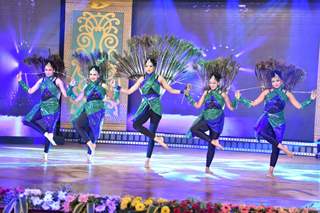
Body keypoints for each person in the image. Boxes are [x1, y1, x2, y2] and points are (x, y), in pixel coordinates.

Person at [236, 63, 317, 177]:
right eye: (273, 81)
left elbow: (299, 106)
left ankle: (270, 170)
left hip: (279, 122)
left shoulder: (287, 93)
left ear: (282, 81)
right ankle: (283, 147)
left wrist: (311, 100)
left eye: (277, 81)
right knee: (261, 132)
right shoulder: (266, 92)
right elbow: (253, 104)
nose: (275, 83)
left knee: (275, 147)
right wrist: (240, 99)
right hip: (267, 118)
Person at [17, 55, 67, 161]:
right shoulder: (42, 80)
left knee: (50, 131)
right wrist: (20, 81)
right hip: (42, 106)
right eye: (46, 70)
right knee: (26, 120)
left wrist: (71, 86)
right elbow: (30, 91)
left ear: (54, 70)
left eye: (49, 70)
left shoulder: (57, 81)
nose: (47, 71)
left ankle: (45, 154)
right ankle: (45, 133)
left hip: (52, 109)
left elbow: (65, 94)